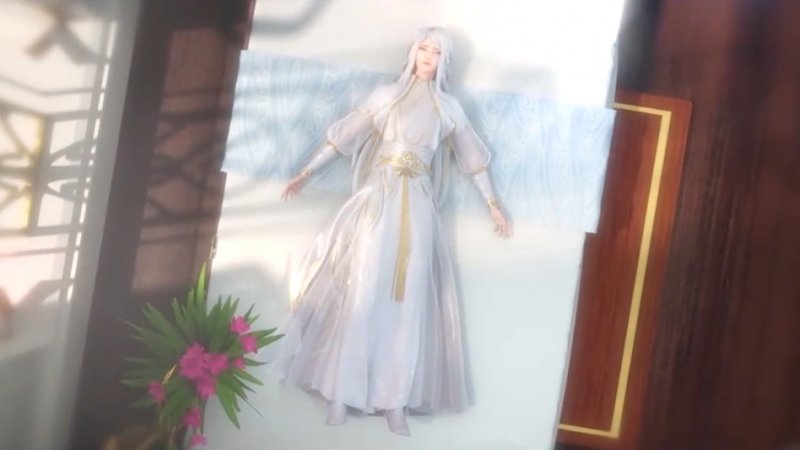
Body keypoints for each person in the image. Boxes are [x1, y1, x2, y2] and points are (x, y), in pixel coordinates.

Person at [271, 27, 512, 436]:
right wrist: (306, 172)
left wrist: (492, 204)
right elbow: (345, 138)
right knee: (363, 291)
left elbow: (473, 159)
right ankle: (341, 392)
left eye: (437, 52)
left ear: (445, 60)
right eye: (424, 48)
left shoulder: (449, 107)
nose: (428, 56)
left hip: (417, 206)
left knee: (408, 299)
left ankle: (394, 399)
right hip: (378, 202)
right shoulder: (386, 96)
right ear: (413, 51)